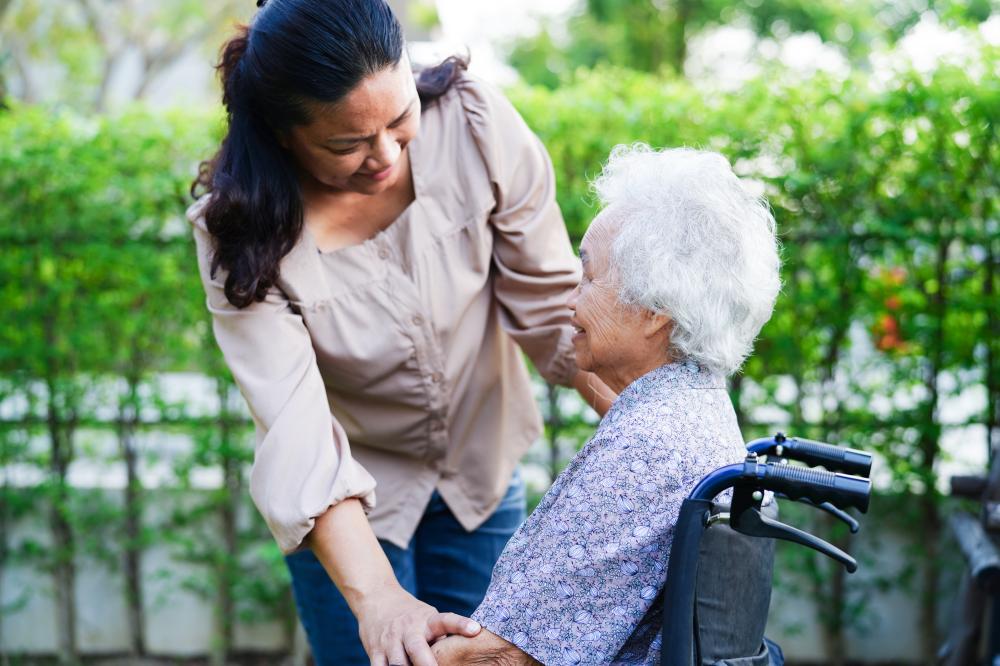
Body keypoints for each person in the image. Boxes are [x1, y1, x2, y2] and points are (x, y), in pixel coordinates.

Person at [186, 1, 615, 664]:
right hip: (351, 510)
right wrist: (379, 602)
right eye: (346, 143)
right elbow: (295, 433)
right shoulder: (240, 230)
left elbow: (555, 312)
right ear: (282, 133)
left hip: (480, 477)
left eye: (399, 117)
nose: (383, 154)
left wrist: (646, 419)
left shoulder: (475, 125)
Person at [431, 144, 782, 665]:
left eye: (589, 277)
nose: (570, 299)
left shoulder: (647, 449)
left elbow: (503, 658)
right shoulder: (696, 409)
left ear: (655, 309)